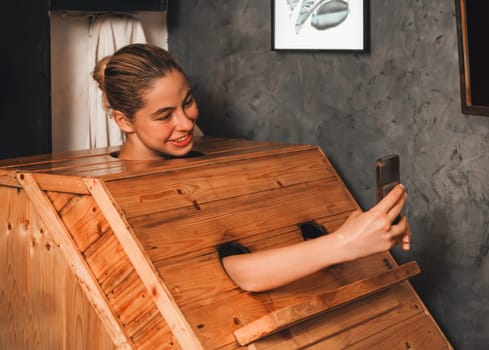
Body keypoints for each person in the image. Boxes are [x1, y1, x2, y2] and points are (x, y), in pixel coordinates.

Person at [93, 43, 411, 292]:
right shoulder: (128, 194)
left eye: (187, 102)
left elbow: (256, 240)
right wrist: (344, 243)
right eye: (165, 116)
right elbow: (236, 271)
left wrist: (365, 228)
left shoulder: (205, 166)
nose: (187, 121)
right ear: (123, 120)